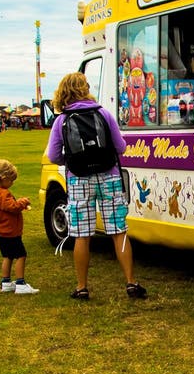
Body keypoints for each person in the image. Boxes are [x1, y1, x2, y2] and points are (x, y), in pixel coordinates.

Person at [46, 72, 147, 301]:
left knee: (82, 235)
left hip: (79, 179)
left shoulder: (61, 120)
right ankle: (131, 283)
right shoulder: (103, 113)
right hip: (109, 176)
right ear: (86, 88)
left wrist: (70, 161)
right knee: (118, 231)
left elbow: (53, 155)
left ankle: (82, 287)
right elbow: (120, 148)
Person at [0, 159, 39, 294]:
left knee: (7, 256)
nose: (12, 183)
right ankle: (20, 283)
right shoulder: (3, 193)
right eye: (11, 180)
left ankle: (6, 282)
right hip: (11, 231)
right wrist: (23, 202)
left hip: (0, 231)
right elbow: (12, 207)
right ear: (3, 178)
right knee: (21, 255)